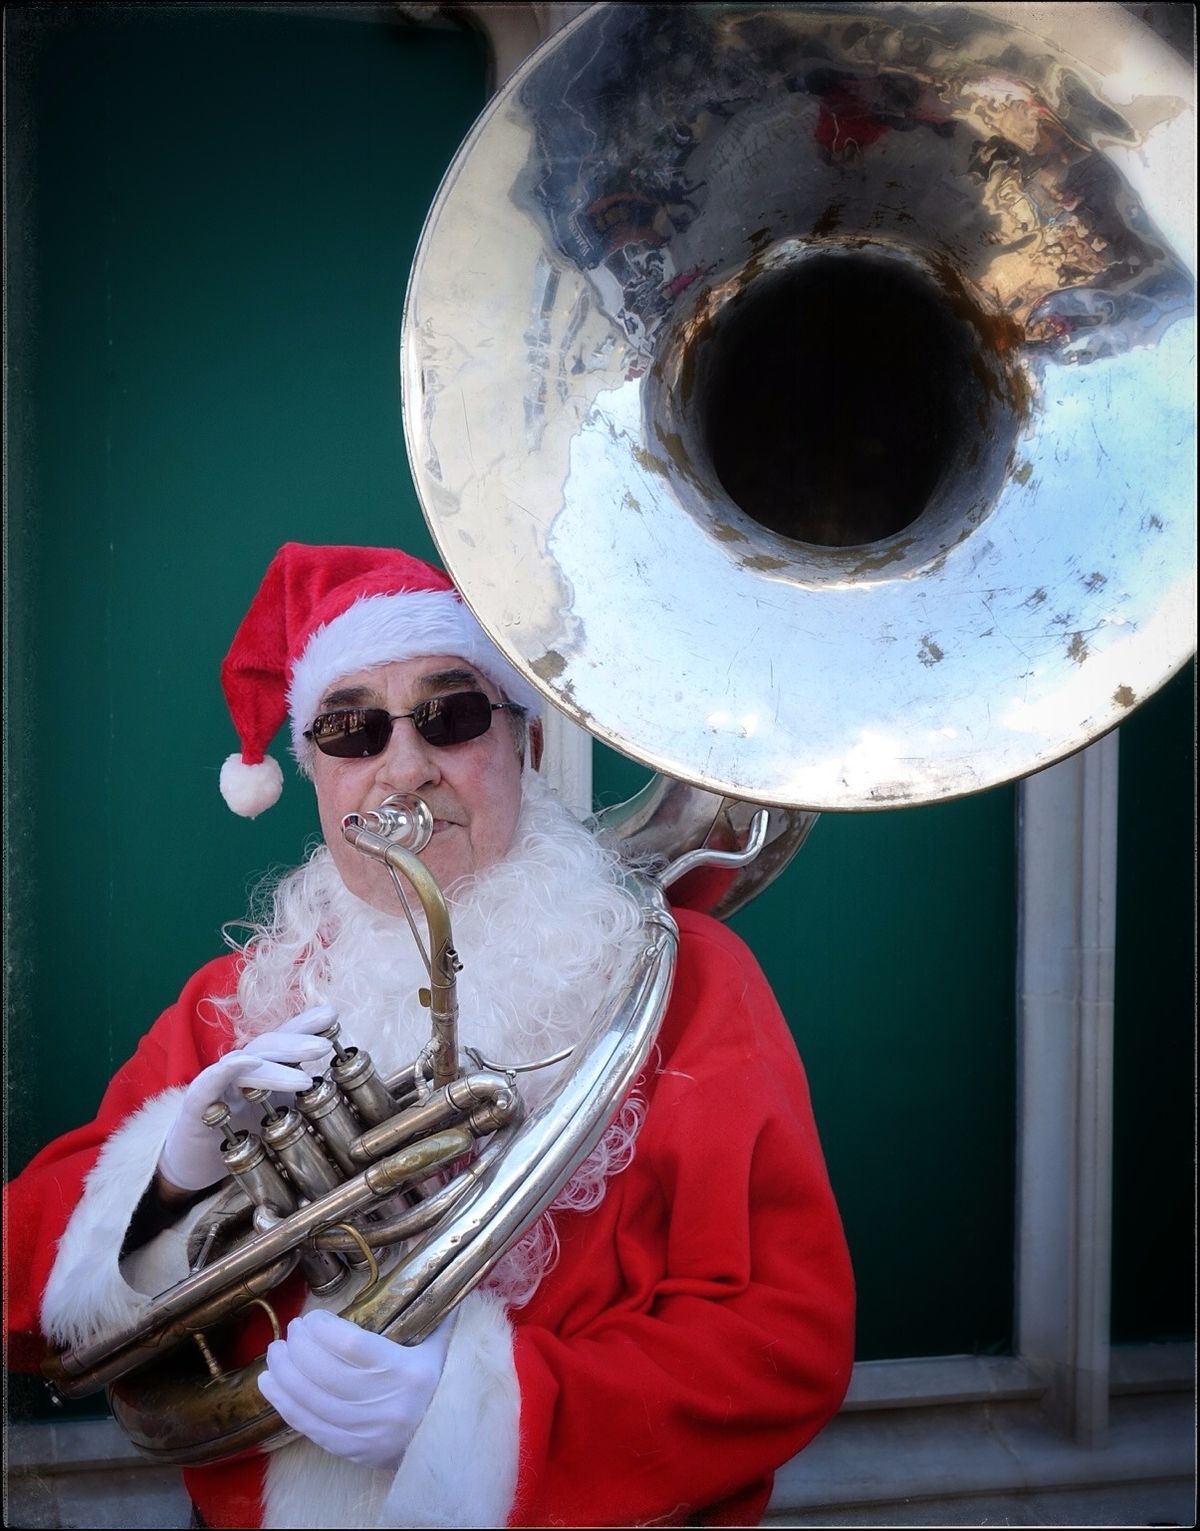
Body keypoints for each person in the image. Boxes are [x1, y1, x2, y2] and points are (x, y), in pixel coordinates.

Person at [4, 542, 855, 1530]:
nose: (404, 769)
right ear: (315, 773)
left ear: (525, 747)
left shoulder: (690, 978)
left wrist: (468, 1412)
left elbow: (784, 1340)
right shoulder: (232, 1001)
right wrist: (169, 1183)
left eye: (451, 717)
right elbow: (25, 1286)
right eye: (353, 730)